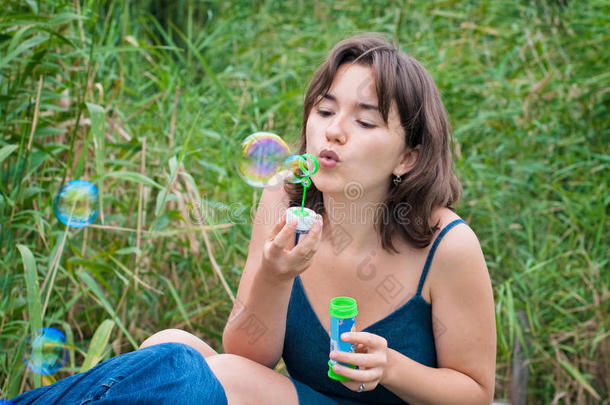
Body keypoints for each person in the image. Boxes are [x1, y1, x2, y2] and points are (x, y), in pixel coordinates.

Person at [12, 33, 496, 404]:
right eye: (325, 110)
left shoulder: (446, 245)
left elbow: (476, 392)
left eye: (365, 121)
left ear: (408, 158)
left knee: (201, 372)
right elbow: (248, 357)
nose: (334, 131)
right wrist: (274, 273)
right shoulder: (284, 203)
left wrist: (391, 368)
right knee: (171, 343)